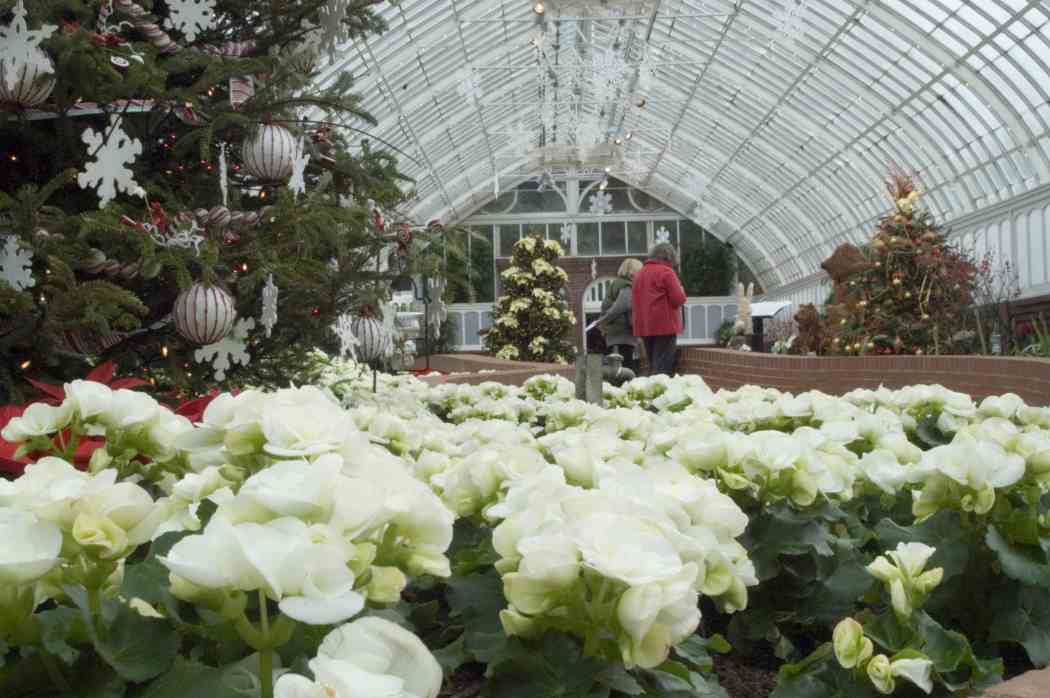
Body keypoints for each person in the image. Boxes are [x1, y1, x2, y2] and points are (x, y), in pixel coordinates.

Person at [632, 243, 687, 376]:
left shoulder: (639, 274)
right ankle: (659, 395)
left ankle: (651, 393)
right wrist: (681, 290)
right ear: (669, 257)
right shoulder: (667, 272)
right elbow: (678, 299)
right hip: (664, 326)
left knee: (653, 364)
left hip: (645, 327)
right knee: (662, 368)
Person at [594, 258, 643, 373]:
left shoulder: (616, 284)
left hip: (614, 333)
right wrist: (603, 320)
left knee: (616, 367)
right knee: (625, 370)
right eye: (639, 271)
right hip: (622, 334)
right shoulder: (626, 285)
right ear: (632, 272)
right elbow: (621, 307)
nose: (641, 275)